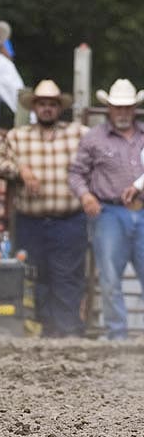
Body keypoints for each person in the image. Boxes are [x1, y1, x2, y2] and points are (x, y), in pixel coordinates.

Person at [0, 80, 88, 337]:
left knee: (67, 275)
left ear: (59, 108)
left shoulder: (78, 133)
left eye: (52, 104)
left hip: (69, 217)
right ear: (35, 107)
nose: (47, 109)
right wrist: (20, 170)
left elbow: (102, 151)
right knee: (37, 274)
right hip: (31, 218)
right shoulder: (18, 136)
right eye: (42, 104)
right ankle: (45, 328)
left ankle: (68, 330)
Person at [69, 78, 144, 340]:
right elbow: (76, 174)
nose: (122, 112)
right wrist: (86, 195)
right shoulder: (94, 138)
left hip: (142, 210)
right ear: (110, 109)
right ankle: (117, 333)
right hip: (109, 211)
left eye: (127, 107)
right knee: (110, 276)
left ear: (134, 108)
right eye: (118, 107)